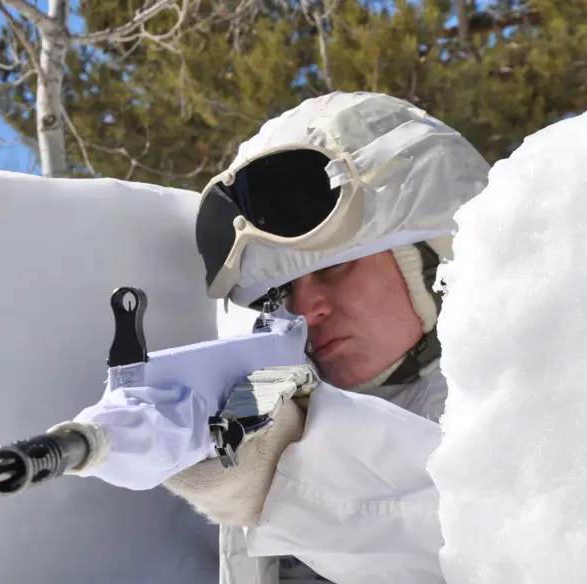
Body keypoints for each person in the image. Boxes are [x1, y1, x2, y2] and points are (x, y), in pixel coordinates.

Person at [163, 91, 491, 584]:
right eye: (285, 291)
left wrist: (292, 480)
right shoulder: (284, 404)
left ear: (436, 259)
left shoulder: (541, 389)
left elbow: (497, 540)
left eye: (334, 268)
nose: (307, 309)